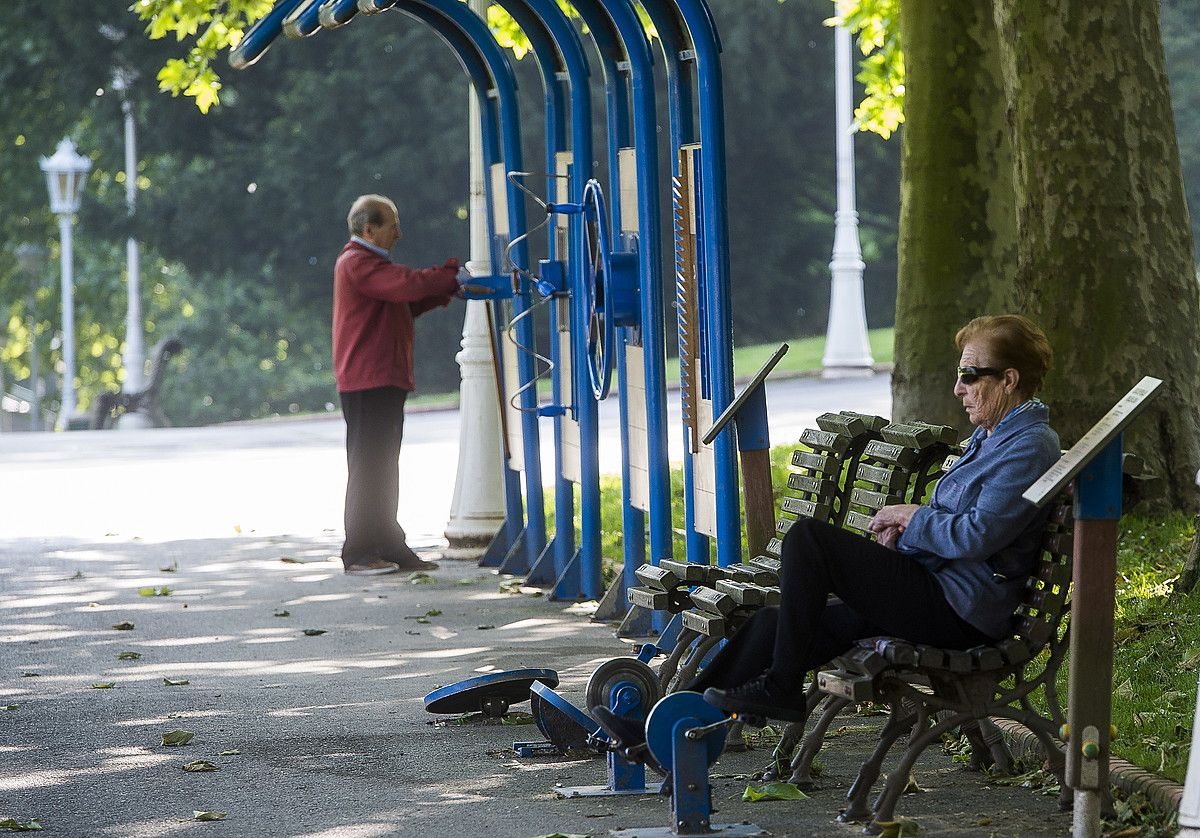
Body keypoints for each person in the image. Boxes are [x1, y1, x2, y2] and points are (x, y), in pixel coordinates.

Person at [690, 314, 1062, 722]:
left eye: (970, 376)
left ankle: (781, 687)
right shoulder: (993, 436)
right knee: (770, 624)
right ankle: (663, 722)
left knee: (809, 539)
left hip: (959, 609)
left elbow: (977, 535)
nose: (959, 389)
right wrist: (903, 535)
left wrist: (912, 516)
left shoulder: (1028, 446)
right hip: (935, 587)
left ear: (1009, 379)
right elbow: (955, 524)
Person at [333, 194, 462, 576]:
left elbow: (405, 302)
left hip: (380, 378)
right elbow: (406, 286)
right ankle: (358, 551)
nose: (399, 234)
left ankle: (388, 543)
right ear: (368, 229)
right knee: (370, 466)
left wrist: (443, 289)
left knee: (382, 465)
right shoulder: (357, 263)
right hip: (368, 380)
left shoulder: (369, 266)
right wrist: (450, 276)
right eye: (392, 226)